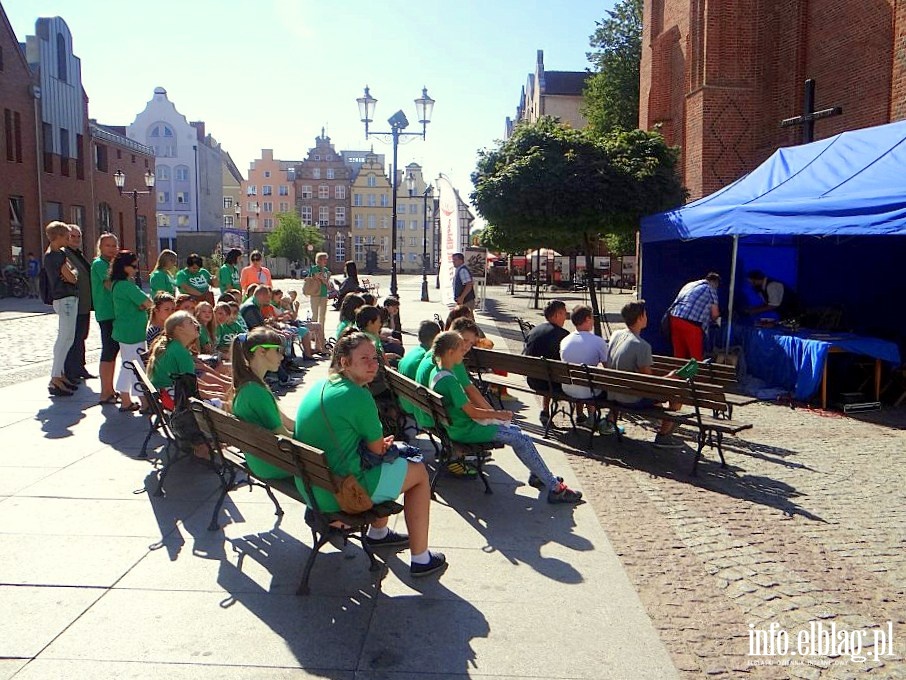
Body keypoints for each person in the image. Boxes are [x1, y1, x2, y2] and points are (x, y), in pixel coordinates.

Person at [294, 332, 447, 577]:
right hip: (342, 494)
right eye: (364, 358)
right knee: (418, 473)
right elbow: (377, 449)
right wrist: (382, 446)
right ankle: (421, 558)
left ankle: (379, 534)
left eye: (375, 358)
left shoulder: (321, 386)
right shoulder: (358, 395)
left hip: (312, 487)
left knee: (390, 465)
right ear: (344, 362)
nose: (373, 364)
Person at [429, 331, 582, 503]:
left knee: (516, 431)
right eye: (460, 349)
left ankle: (540, 474)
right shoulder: (450, 381)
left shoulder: (438, 372)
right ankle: (555, 488)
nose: (464, 351)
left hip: (457, 427)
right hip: (466, 430)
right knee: (522, 439)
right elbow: (473, 412)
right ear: (450, 352)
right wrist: (498, 414)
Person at [608, 300, 683, 449]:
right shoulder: (642, 346)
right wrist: (670, 377)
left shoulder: (615, 335)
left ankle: (610, 420)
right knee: (677, 394)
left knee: (659, 396)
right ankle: (663, 436)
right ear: (641, 317)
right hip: (631, 399)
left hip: (613, 394)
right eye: (646, 314)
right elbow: (648, 382)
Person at [228, 328, 297, 479]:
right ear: (261, 352)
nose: (282, 355)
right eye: (278, 350)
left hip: (262, 459)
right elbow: (284, 435)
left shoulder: (250, 385)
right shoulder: (255, 392)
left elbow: (286, 421)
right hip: (273, 464)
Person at [146, 310, 227, 405]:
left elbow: (188, 382)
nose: (196, 325)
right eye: (190, 323)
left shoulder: (173, 346)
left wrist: (209, 388)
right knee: (227, 406)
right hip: (175, 401)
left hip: (165, 396)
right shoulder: (180, 352)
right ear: (179, 329)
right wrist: (214, 395)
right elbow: (190, 389)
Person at [559, 304, 618, 433]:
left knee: (585, 377)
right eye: (592, 318)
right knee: (606, 386)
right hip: (588, 391)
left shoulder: (565, 340)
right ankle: (607, 423)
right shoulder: (598, 341)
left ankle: (589, 416)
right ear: (587, 319)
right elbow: (609, 367)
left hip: (568, 388)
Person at [109, 250, 153, 411]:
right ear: (125, 267)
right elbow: (148, 302)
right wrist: (141, 306)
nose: (136, 269)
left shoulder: (117, 284)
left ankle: (126, 399)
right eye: (134, 266)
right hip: (132, 332)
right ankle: (144, 402)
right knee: (137, 367)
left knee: (127, 365)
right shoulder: (126, 286)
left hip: (125, 330)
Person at [43, 222, 80, 397]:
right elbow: (72, 277)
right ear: (58, 236)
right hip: (65, 298)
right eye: (66, 236)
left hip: (64, 299)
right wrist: (74, 275)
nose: (69, 239)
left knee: (68, 338)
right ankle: (56, 376)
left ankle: (59, 374)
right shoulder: (56, 256)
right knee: (64, 338)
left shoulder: (55, 254)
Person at [522, 299, 570, 424]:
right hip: (551, 383)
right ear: (556, 315)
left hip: (532, 379)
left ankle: (545, 410)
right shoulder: (563, 335)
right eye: (564, 313)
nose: (566, 316)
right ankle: (581, 415)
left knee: (548, 371)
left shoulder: (534, 331)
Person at [63, 225, 94, 384]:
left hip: (84, 304)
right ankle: (71, 371)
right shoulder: (65, 254)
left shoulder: (77, 254)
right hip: (74, 304)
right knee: (73, 338)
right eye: (72, 236)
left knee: (81, 337)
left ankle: (80, 367)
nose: (76, 239)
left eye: (78, 236)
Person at [91, 233, 120, 404]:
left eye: (114, 245)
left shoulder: (111, 263)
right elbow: (110, 285)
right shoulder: (100, 264)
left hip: (115, 313)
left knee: (113, 351)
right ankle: (105, 391)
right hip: (107, 312)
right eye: (108, 245)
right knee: (108, 351)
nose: (111, 249)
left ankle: (110, 389)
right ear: (100, 247)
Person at [667, 272, 720, 360]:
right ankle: (694, 374)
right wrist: (713, 321)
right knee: (695, 358)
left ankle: (678, 373)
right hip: (691, 324)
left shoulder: (690, 285)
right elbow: (715, 314)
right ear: (715, 282)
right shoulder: (711, 288)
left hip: (674, 318)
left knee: (679, 355)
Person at [307, 252, 331, 326]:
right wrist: (326, 282)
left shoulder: (326, 270)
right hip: (315, 293)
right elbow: (321, 279)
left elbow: (326, 281)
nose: (326, 261)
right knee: (315, 315)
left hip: (323, 294)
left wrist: (327, 281)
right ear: (319, 260)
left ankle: (321, 334)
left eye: (326, 259)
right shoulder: (314, 268)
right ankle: (314, 335)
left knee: (322, 316)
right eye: (324, 259)